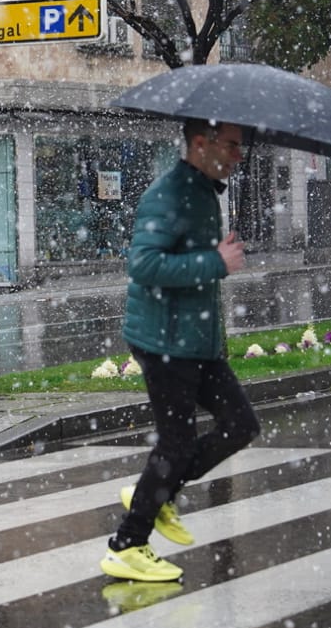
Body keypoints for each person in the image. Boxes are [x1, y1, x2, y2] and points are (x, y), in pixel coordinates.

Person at [100, 118, 260, 585]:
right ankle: (128, 544)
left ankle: (157, 492)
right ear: (199, 143)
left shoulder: (203, 190)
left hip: (196, 340)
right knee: (177, 443)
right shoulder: (170, 192)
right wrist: (215, 261)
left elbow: (181, 259)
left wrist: (213, 256)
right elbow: (144, 264)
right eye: (230, 145)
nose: (237, 155)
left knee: (240, 425)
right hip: (165, 340)